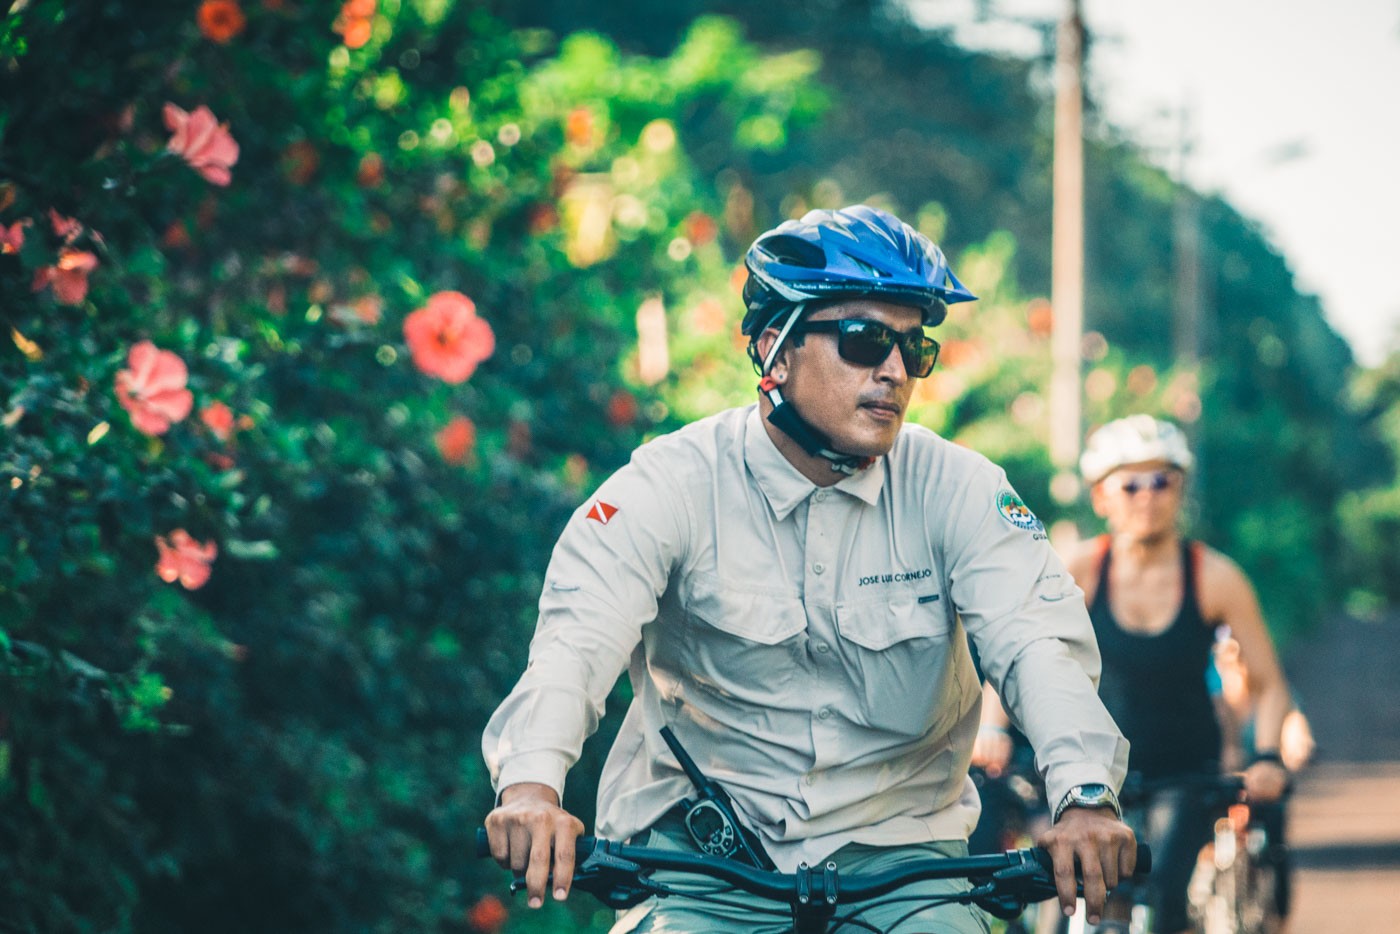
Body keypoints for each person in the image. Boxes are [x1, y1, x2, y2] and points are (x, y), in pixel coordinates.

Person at [481, 205, 1137, 932]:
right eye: (863, 340)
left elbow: (1035, 644)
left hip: (906, 866)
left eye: (913, 349)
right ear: (776, 350)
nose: (893, 370)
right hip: (705, 866)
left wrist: (1083, 798)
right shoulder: (668, 485)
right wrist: (532, 789)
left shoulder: (959, 487)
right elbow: (575, 645)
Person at [1067, 415, 1293, 934]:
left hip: (1187, 773)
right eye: (1131, 484)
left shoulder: (1216, 577)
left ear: (1180, 488)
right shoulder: (1076, 571)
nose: (1148, 495)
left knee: (1165, 895)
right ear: (1102, 497)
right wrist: (992, 731)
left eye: (1162, 480)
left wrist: (1267, 757)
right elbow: (1015, 657)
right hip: (1095, 773)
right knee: (1078, 902)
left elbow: (1269, 681)